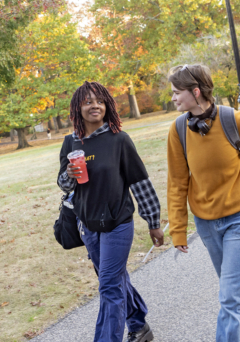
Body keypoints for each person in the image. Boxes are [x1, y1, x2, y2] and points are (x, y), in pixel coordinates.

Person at [167, 64, 240, 342]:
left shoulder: (234, 119)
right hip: (206, 223)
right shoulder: (179, 129)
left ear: (196, 92)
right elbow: (177, 182)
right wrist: (178, 229)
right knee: (236, 284)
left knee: (231, 296)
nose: (172, 98)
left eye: (176, 92)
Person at [57, 81, 164, 342]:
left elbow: (140, 183)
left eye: (99, 101)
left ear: (107, 106)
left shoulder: (119, 140)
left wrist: (153, 221)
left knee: (108, 284)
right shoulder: (70, 142)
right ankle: (139, 325)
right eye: (88, 102)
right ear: (77, 108)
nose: (94, 106)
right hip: (88, 225)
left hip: (118, 223)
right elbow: (63, 184)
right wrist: (68, 175)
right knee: (115, 279)